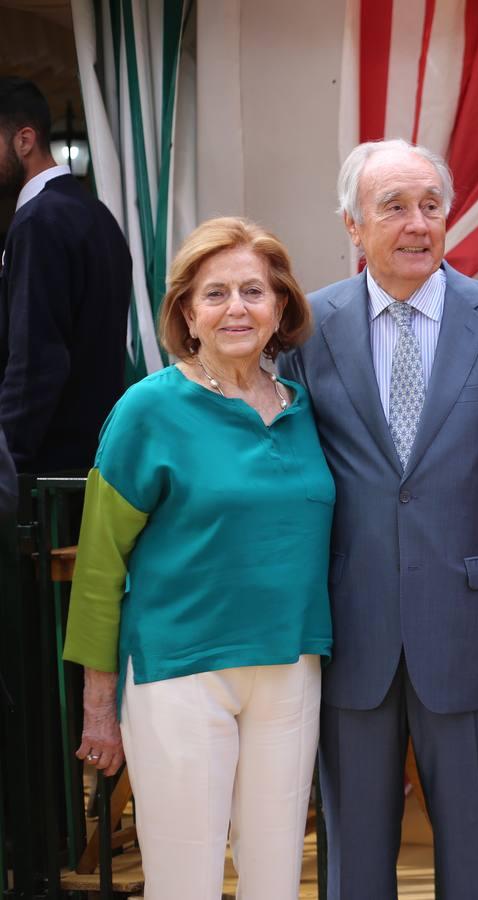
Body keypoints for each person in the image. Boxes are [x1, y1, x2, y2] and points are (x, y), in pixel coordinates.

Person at [279, 139, 478, 899]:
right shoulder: (307, 328)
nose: (416, 223)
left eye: (431, 205)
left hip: (465, 621)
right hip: (351, 624)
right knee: (354, 859)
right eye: (394, 206)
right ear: (352, 225)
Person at [62, 217, 332, 899]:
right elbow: (99, 566)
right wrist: (99, 702)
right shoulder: (147, 409)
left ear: (280, 307)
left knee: (275, 875)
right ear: (186, 312)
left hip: (290, 667)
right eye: (215, 294)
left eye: (253, 291)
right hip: (180, 672)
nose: (236, 308)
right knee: (185, 880)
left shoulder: (306, 411)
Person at [0, 77, 131, 472]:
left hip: (46, 475)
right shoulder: (95, 214)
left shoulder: (39, 220)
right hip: (91, 460)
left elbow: (35, 360)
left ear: (24, 140)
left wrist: (8, 464)